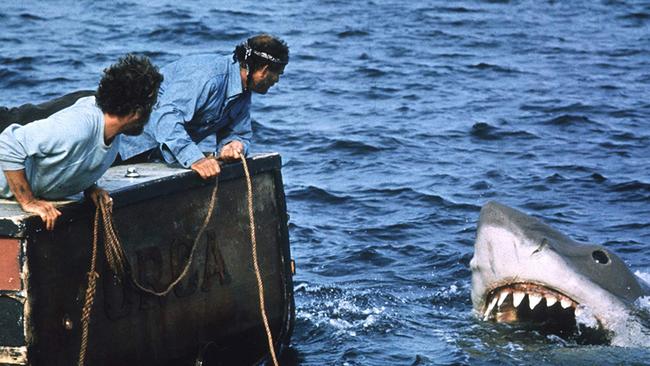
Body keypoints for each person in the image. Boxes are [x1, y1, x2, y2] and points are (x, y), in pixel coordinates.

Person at [0, 54, 163, 230]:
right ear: (136, 112)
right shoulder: (78, 125)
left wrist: (88, 186)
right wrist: (29, 201)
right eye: (152, 106)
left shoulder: (112, 132)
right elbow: (9, 143)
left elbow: (77, 155)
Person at [118, 34, 289, 179]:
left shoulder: (243, 91)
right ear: (264, 70)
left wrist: (234, 145)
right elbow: (166, 117)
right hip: (122, 146)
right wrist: (195, 159)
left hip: (156, 159)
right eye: (277, 75)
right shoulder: (208, 76)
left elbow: (239, 133)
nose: (277, 81)